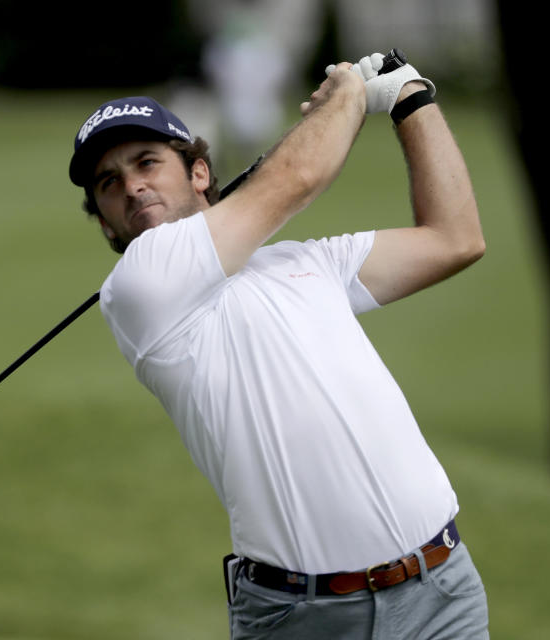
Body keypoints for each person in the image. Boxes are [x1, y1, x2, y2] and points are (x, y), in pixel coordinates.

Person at [68, 52, 489, 639]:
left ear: (197, 173)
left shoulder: (306, 260)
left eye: (146, 162)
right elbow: (297, 177)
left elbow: (455, 238)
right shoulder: (141, 284)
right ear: (108, 224)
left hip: (443, 590)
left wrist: (411, 99)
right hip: (307, 619)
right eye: (109, 183)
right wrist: (347, 88)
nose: (133, 186)